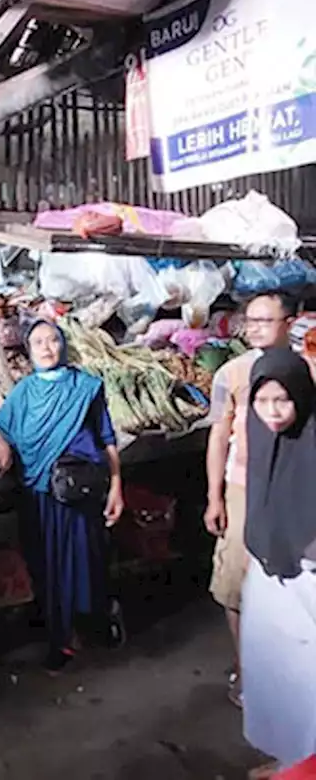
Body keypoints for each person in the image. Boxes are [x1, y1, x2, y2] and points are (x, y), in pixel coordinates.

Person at [0, 320, 125, 671]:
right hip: (38, 494)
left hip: (79, 494)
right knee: (46, 567)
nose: (46, 347)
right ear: (29, 351)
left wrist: (117, 486)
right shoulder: (24, 391)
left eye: (53, 340)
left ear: (63, 345)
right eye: (38, 342)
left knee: (85, 561)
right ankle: (61, 638)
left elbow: (107, 439)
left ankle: (98, 619)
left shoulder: (86, 387)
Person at [204, 291, 295, 707]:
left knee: (293, 583)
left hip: (294, 491)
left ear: (290, 324)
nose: (255, 327)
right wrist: (215, 496)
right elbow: (219, 434)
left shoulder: (308, 369)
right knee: (235, 585)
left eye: (266, 320)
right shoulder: (231, 373)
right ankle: (247, 670)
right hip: (243, 488)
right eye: (251, 320)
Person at [239, 347, 316, 772]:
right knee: (275, 673)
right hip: (268, 575)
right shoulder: (260, 431)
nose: (271, 412)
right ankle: (290, 760)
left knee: (309, 678)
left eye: (282, 400)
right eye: (262, 400)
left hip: (307, 581)